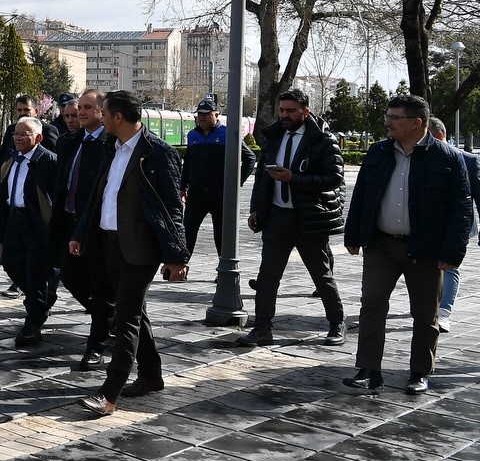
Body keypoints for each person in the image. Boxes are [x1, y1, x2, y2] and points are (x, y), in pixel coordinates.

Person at [342, 97, 473, 394]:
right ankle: (368, 370)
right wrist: (353, 234)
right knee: (372, 306)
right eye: (387, 116)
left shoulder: (447, 158)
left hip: (425, 249)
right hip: (381, 244)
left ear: (416, 122)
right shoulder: (378, 152)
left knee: (426, 313)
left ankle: (419, 372)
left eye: (394, 117)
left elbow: (461, 209)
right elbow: (361, 194)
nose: (387, 122)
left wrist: (453, 252)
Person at [70, 89, 188, 415]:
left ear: (118, 117)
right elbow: (99, 196)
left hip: (140, 250)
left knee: (125, 320)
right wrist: (81, 234)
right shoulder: (112, 148)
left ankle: (109, 395)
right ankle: (151, 376)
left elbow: (170, 209)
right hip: (110, 245)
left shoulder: (158, 153)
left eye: (104, 114)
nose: (101, 119)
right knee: (135, 312)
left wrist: (176, 256)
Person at [242, 90, 347, 347]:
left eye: (290, 111)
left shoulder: (321, 139)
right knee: (267, 276)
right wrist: (256, 209)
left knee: (321, 275)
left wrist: (294, 179)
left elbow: (333, 178)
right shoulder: (274, 137)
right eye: (282, 110)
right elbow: (262, 178)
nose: (284, 115)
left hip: (309, 218)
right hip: (277, 218)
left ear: (305, 111)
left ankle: (337, 323)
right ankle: (262, 328)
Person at [52, 88, 113, 367]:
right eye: (81, 108)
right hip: (69, 221)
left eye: (89, 108)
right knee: (70, 276)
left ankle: (96, 345)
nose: (82, 113)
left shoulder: (110, 145)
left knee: (101, 285)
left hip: (96, 227)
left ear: (102, 112)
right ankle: (109, 317)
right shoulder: (69, 142)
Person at [0, 117, 58, 346]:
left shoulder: (48, 161)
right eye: (15, 133)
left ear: (37, 138)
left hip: (36, 225)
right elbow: (1, 195)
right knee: (10, 263)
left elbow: (57, 197)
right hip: (13, 222)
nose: (18, 138)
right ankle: (42, 300)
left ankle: (33, 322)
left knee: (34, 272)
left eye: (24, 134)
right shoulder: (11, 159)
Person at [180, 99, 255, 259]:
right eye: (199, 114)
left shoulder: (227, 134)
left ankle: (224, 269)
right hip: (196, 194)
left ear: (216, 115)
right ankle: (181, 266)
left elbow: (250, 157)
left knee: (221, 234)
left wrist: (236, 182)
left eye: (206, 114)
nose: (202, 117)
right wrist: (183, 186)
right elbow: (188, 163)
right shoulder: (192, 135)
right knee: (187, 231)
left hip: (220, 195)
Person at [428, 118, 479, 332]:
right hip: (429, 223)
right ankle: (430, 304)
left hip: (458, 224)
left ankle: (444, 312)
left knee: (450, 267)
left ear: (439, 135)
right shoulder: (419, 158)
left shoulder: (467, 159)